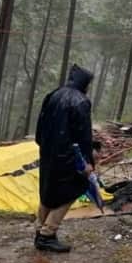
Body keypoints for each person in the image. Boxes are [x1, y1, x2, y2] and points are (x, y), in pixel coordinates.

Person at [34, 64, 96, 252]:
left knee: (48, 192)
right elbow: (83, 135)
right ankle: (47, 234)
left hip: (48, 153)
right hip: (70, 157)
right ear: (84, 83)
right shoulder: (81, 102)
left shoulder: (53, 95)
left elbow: (40, 126)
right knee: (73, 190)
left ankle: (39, 230)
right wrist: (87, 162)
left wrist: (43, 146)